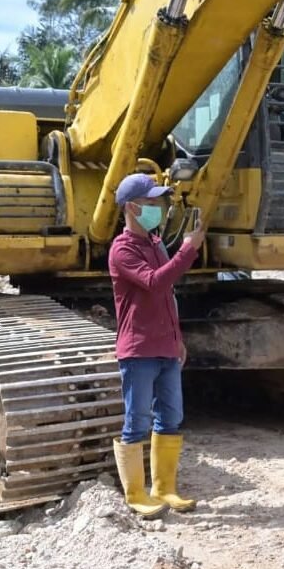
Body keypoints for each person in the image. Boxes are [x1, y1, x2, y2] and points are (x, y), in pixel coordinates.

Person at [108, 173, 206, 518]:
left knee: (171, 417)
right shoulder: (122, 250)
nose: (159, 208)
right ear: (132, 207)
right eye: (151, 203)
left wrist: (177, 339)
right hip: (138, 348)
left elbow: (168, 296)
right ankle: (136, 493)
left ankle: (164, 488)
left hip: (164, 346)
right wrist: (187, 249)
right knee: (137, 420)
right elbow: (154, 282)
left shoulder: (154, 243)